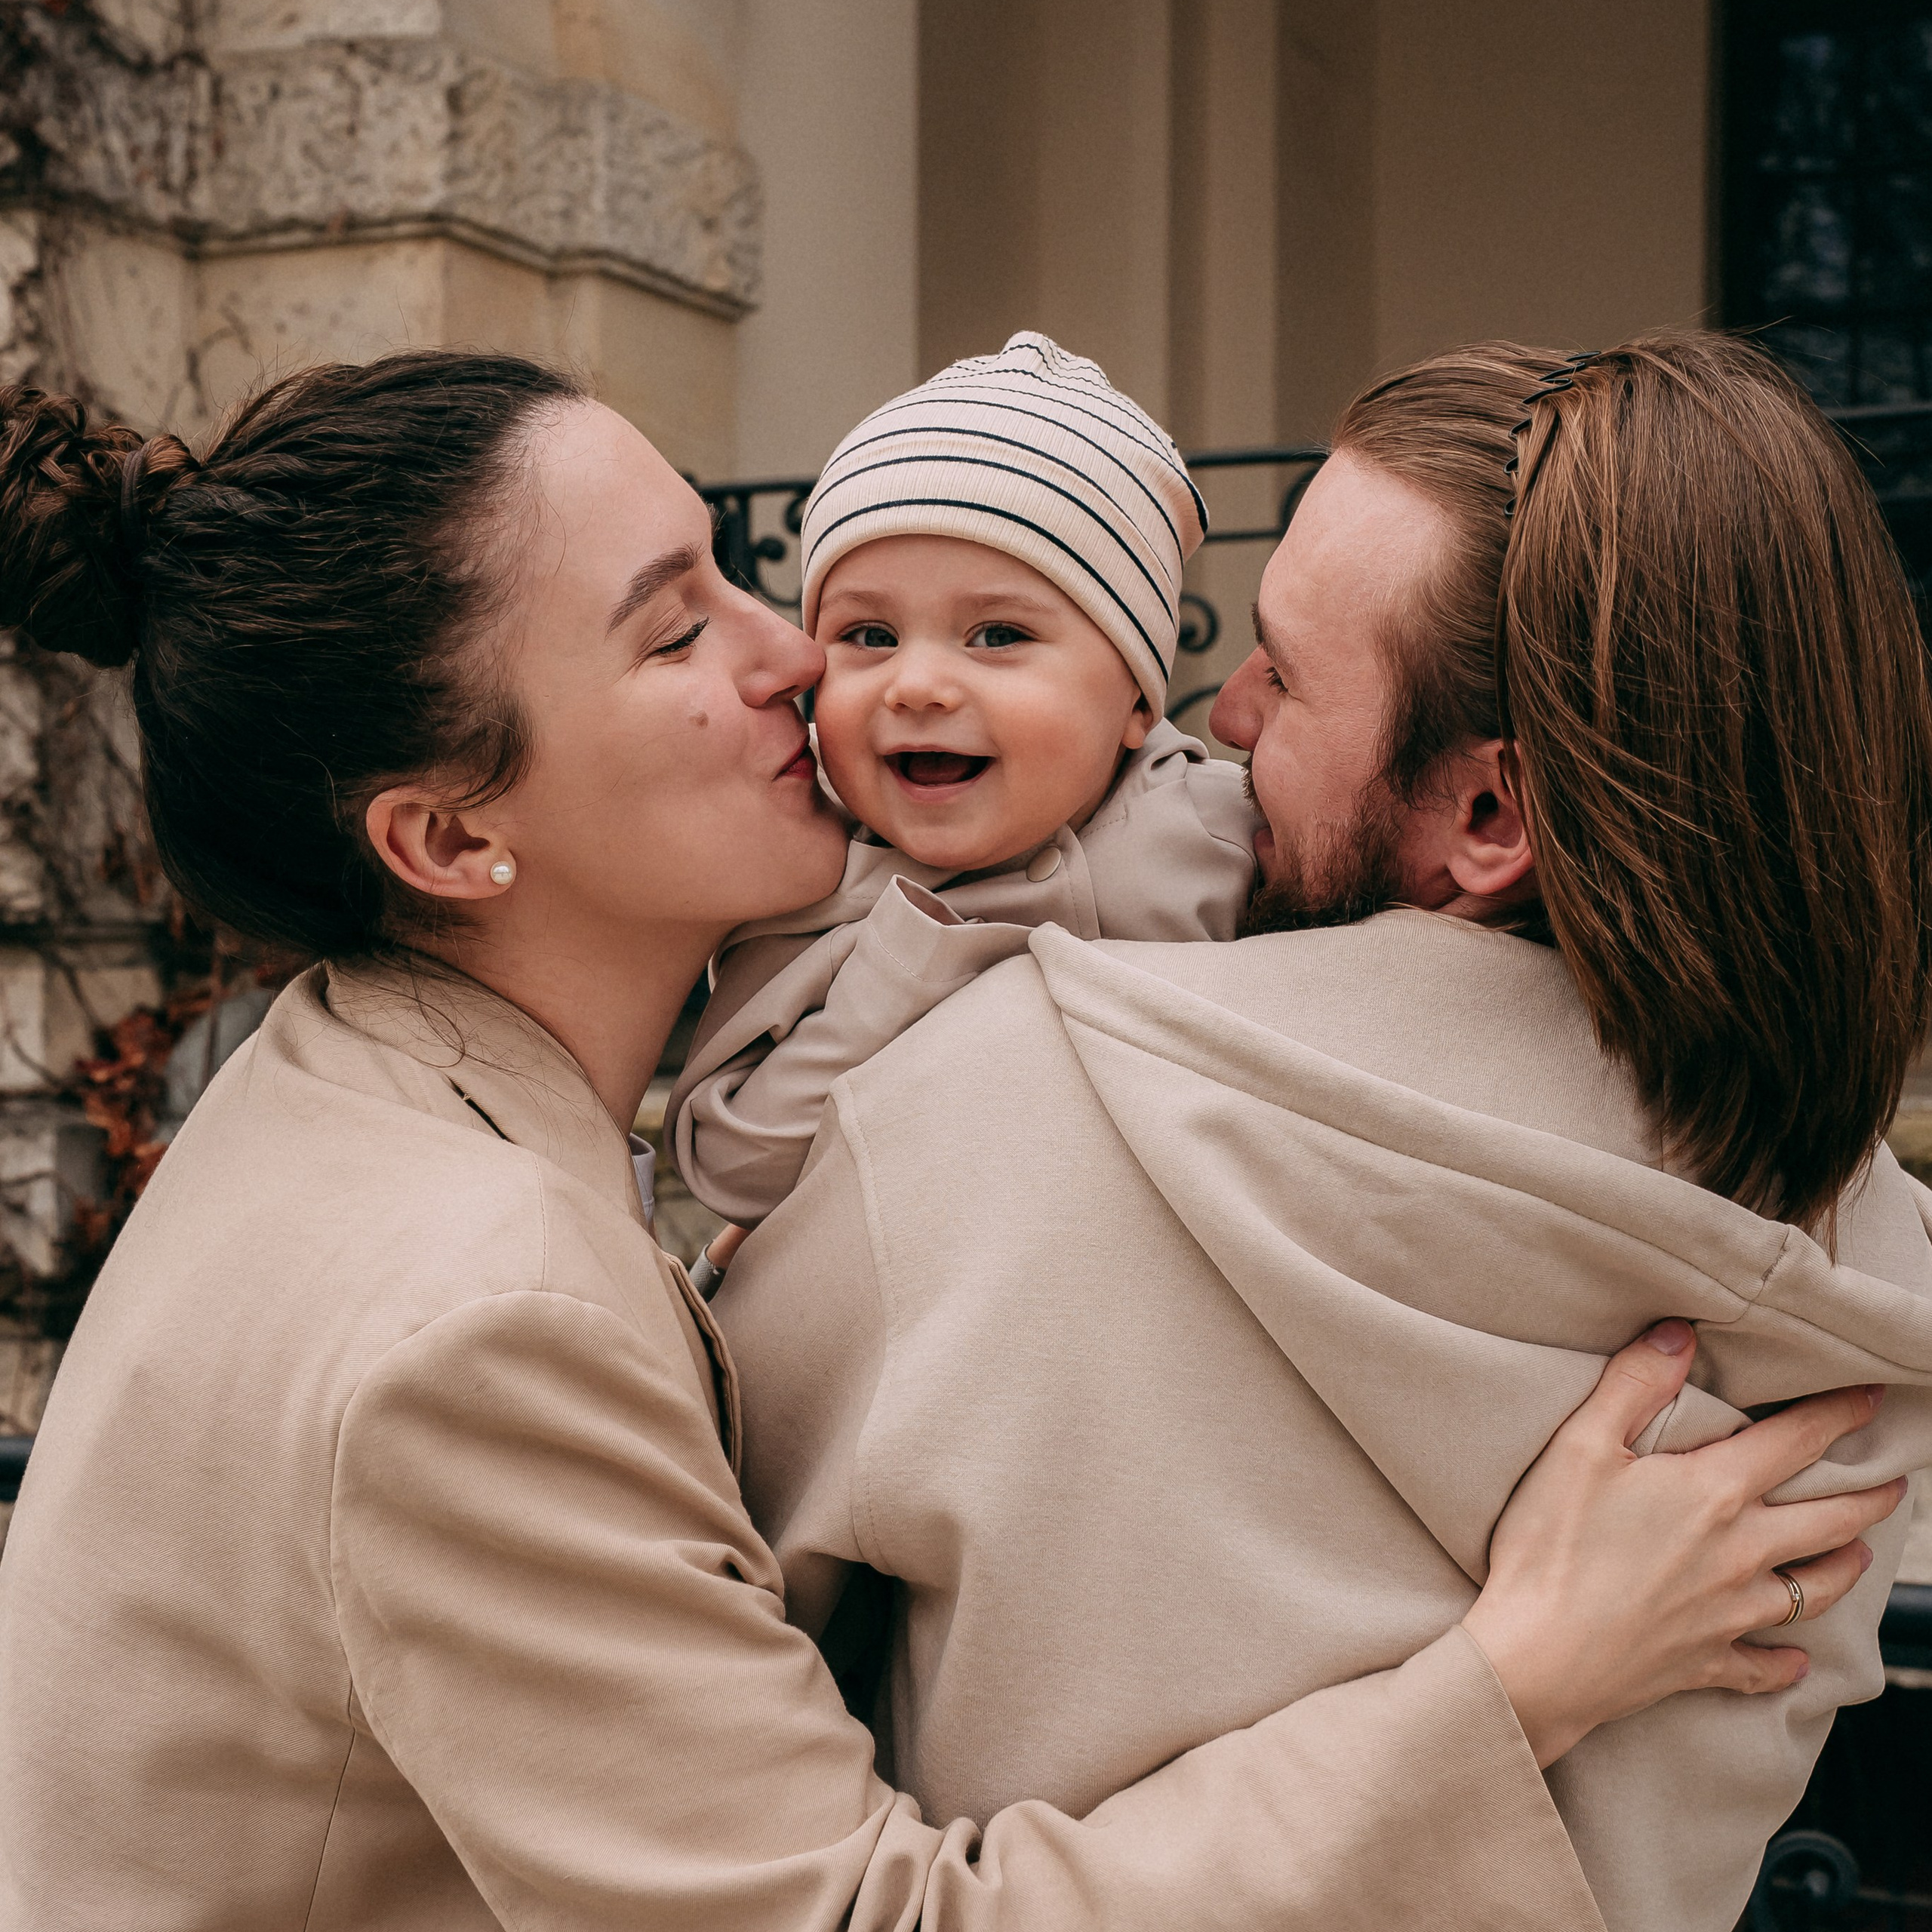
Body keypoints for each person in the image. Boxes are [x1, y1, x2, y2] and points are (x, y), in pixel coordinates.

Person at [0, 352, 1899, 1932]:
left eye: (737, 569)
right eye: (676, 630)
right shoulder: (478, 1313)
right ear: (445, 837)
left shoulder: (361, 1104)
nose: (799, 658)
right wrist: (1517, 1673)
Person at [715, 332, 1932, 1932]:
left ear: (1487, 816)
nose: (1220, 715)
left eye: (1284, 676)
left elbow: (715, 1667)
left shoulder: (987, 1106)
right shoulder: (1866, 1254)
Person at [672, 331, 1258, 1232]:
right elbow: (736, 1167)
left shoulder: (1223, 833)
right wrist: (904, 966)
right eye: (869, 635)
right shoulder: (813, 884)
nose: (916, 685)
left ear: (1138, 700)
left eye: (997, 636)